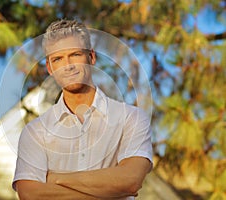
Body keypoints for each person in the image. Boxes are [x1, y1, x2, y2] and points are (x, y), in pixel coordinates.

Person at [12, 19, 153, 200]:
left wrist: (54, 179)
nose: (68, 65)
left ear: (91, 57)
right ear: (50, 68)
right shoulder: (35, 133)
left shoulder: (131, 119)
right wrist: (109, 190)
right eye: (58, 59)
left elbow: (131, 180)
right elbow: (31, 195)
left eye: (75, 54)